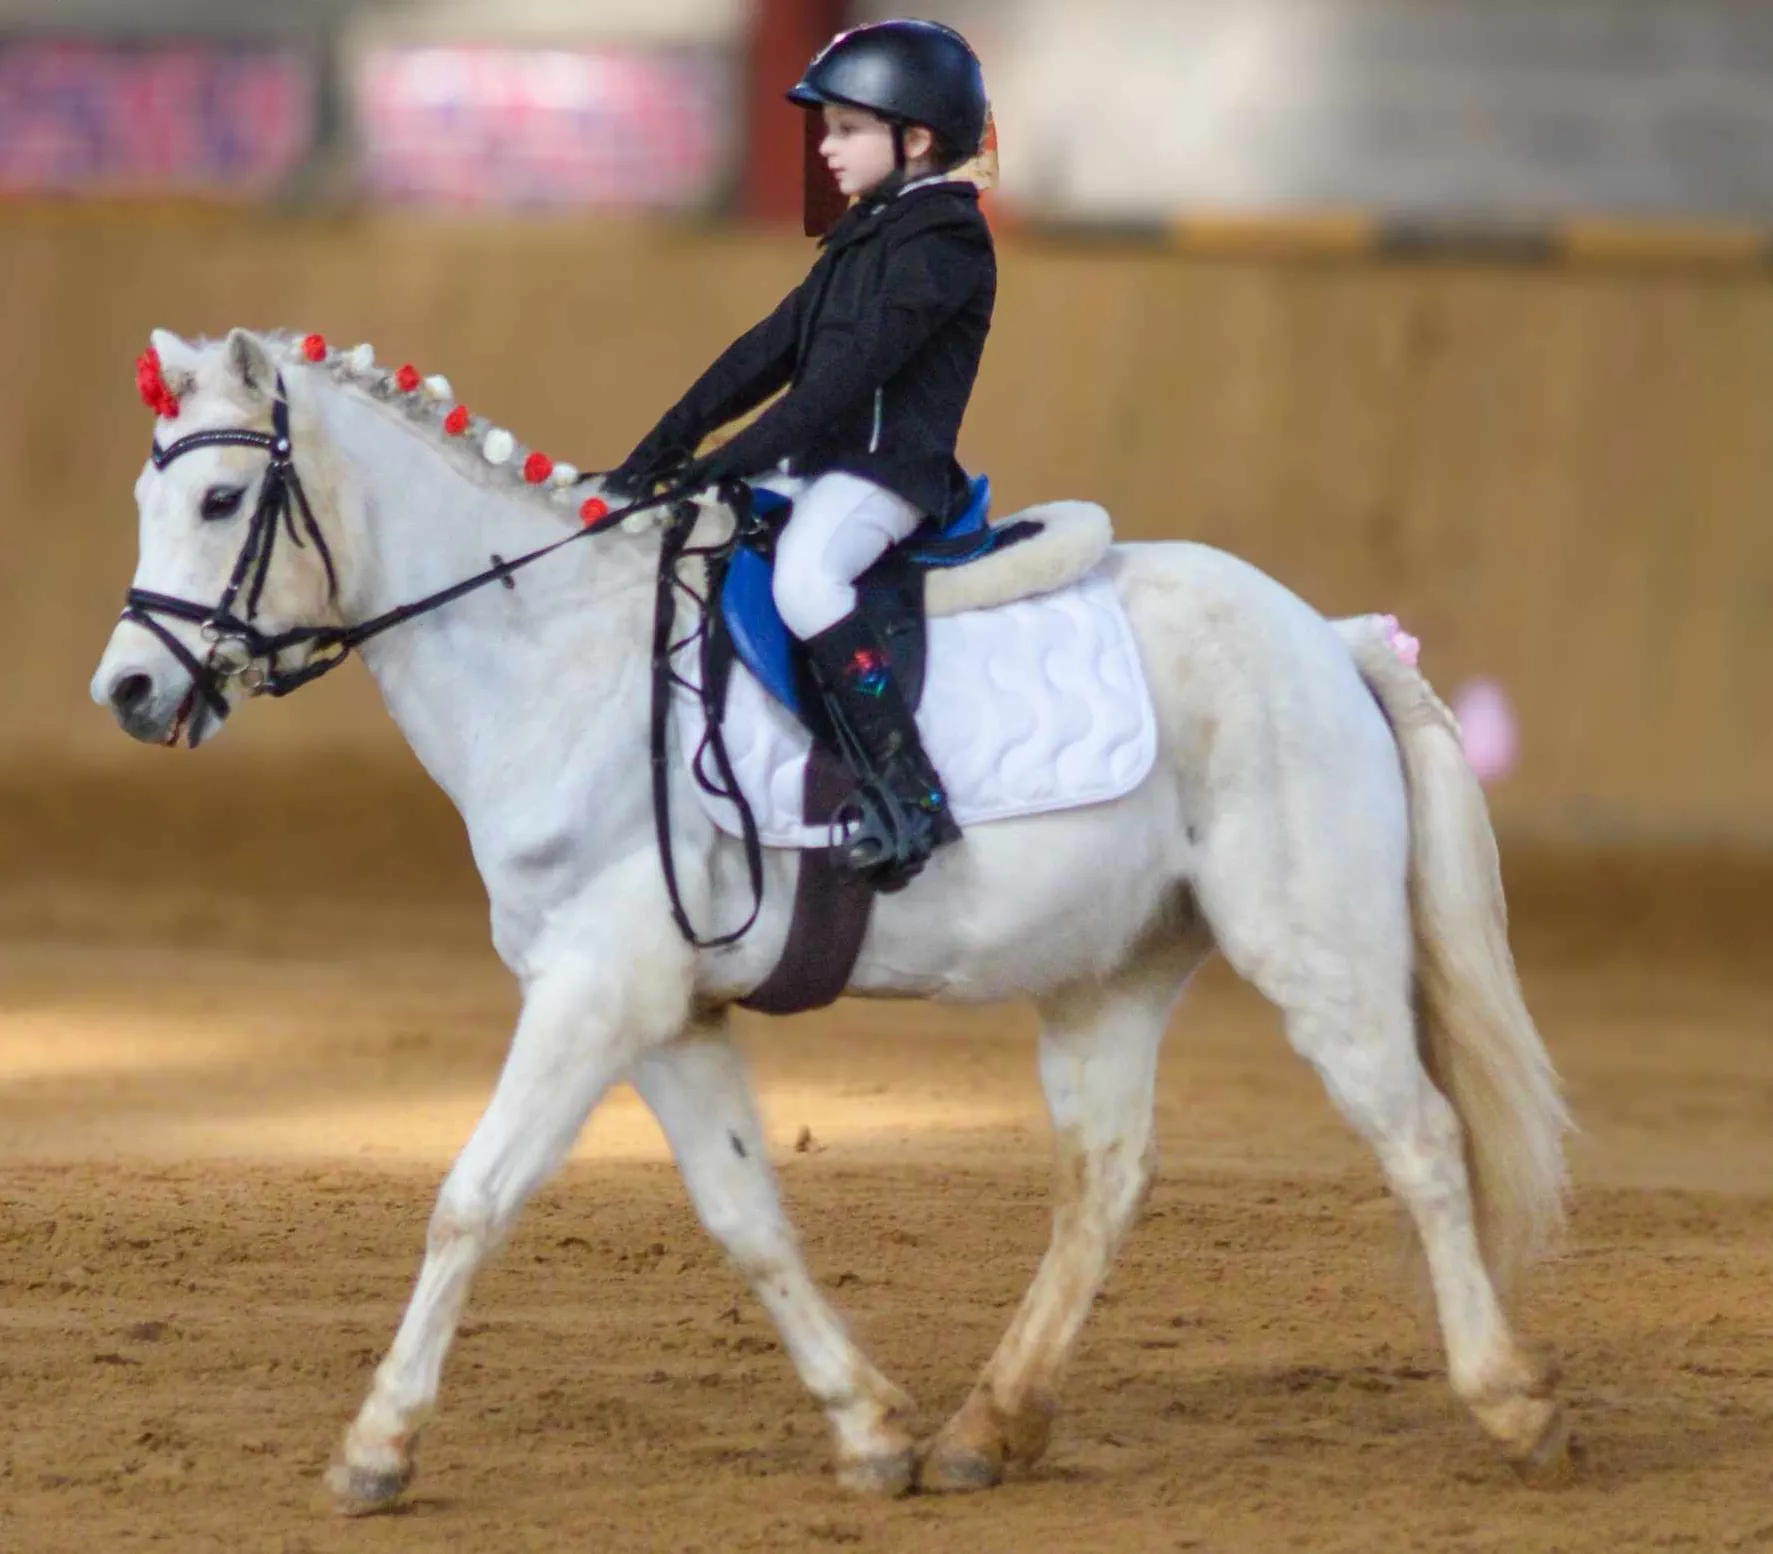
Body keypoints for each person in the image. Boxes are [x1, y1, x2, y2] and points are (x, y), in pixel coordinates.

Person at [605, 18, 995, 891]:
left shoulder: (946, 243)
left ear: (917, 138)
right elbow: (766, 352)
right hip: (819, 464)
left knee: (807, 581)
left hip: (883, 473)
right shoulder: (863, 236)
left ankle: (911, 793)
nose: (828, 148)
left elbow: (844, 385)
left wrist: (730, 460)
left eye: (849, 129)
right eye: (830, 129)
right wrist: (663, 446)